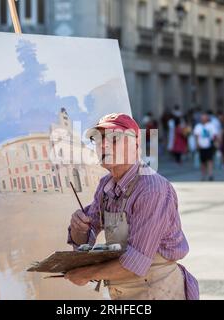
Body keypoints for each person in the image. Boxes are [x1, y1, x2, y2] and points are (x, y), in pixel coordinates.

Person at [65, 113, 199, 300]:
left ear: (136, 144)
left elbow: (136, 262)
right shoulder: (106, 185)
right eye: (98, 140)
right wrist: (78, 228)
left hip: (158, 289)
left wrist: (87, 273)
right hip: (123, 291)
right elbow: (86, 239)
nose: (103, 145)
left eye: (114, 138)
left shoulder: (152, 189)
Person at [193, 113, 217, 181]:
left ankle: (210, 174)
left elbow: (215, 135)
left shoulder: (211, 125)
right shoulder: (198, 126)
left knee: (210, 160)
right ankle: (203, 175)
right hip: (201, 146)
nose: (203, 119)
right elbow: (196, 136)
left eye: (204, 118)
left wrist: (215, 142)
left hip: (209, 145)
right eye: (202, 118)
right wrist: (197, 144)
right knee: (202, 162)